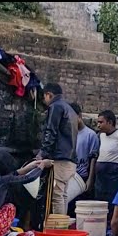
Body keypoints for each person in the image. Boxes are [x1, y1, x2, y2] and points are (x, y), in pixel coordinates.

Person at [37, 83, 78, 215]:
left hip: (60, 158)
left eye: (45, 97)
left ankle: (58, 230)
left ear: (49, 95)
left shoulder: (56, 106)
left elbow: (51, 131)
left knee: (57, 196)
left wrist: (42, 153)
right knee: (63, 194)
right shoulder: (70, 109)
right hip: (70, 158)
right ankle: (62, 227)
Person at [65, 102, 100, 216]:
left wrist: (90, 180)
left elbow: (93, 159)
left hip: (82, 177)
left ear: (79, 116)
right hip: (69, 176)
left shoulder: (91, 135)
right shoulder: (68, 133)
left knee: (80, 209)